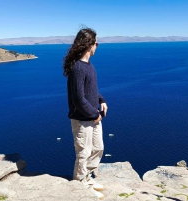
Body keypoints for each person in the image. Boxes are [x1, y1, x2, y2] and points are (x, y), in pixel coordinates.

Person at [63, 28, 108, 200]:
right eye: (96, 43)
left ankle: (88, 179)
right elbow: (79, 99)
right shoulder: (78, 68)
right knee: (84, 152)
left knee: (98, 148)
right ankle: (80, 184)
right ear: (89, 44)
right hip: (82, 119)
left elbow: (91, 91)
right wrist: (94, 114)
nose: (97, 46)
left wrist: (101, 100)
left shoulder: (88, 66)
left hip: (92, 116)